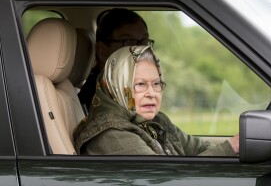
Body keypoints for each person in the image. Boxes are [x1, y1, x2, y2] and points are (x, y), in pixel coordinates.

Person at [74, 45, 239, 156]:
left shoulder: (156, 121)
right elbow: (167, 182)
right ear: (117, 86)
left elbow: (200, 147)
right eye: (140, 84)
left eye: (156, 84)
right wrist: (231, 148)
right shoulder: (111, 134)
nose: (152, 93)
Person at [78, 8, 152, 111]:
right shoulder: (97, 99)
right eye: (129, 42)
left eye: (144, 42)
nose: (141, 51)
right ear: (102, 51)